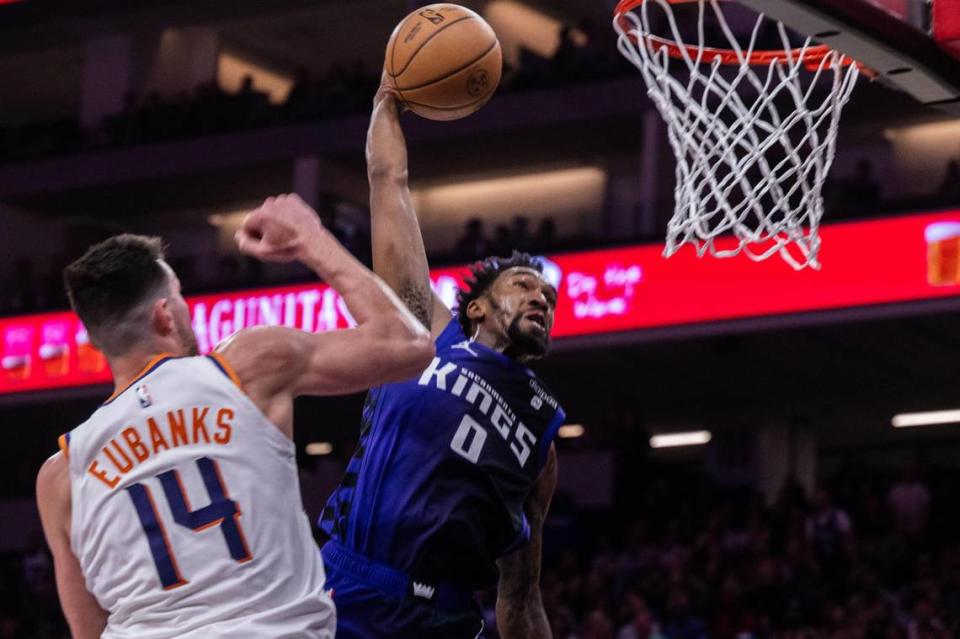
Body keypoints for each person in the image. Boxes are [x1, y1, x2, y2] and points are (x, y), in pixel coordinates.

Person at [35, 194, 434, 639]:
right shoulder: (243, 368)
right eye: (180, 297)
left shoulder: (61, 475)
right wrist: (311, 239)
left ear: (97, 339)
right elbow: (409, 346)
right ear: (164, 316)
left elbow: (87, 631)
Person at [318, 80, 566, 638]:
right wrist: (386, 101)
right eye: (525, 285)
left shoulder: (541, 439)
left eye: (549, 298)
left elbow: (520, 594)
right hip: (352, 588)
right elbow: (389, 185)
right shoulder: (427, 334)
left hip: (447, 617)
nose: (541, 299)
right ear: (476, 306)